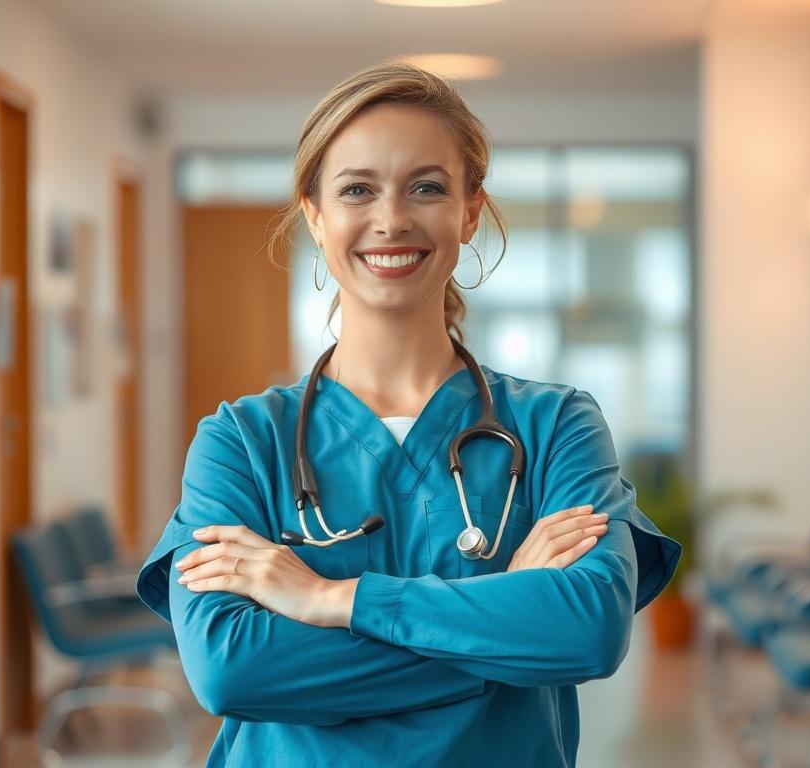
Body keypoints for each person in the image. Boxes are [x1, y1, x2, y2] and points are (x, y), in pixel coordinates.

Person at [136, 60, 682, 767]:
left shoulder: (557, 427)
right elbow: (230, 669)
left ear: (469, 211)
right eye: (357, 189)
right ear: (315, 213)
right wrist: (508, 609)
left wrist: (334, 599)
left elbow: (586, 633)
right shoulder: (241, 442)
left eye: (426, 187)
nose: (391, 219)